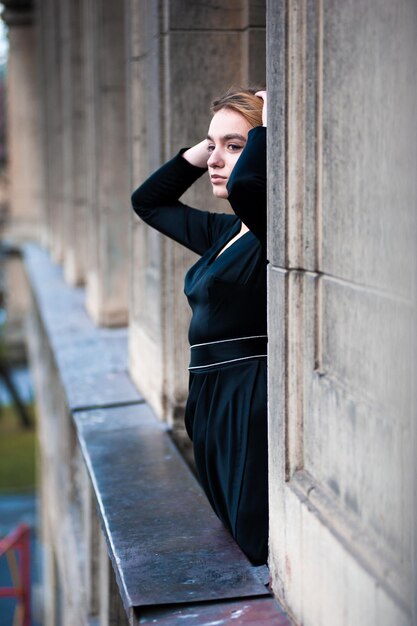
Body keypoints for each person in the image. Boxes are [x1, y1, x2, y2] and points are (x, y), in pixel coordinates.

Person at [131, 88, 268, 565]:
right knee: (230, 533)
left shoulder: (272, 224)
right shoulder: (227, 231)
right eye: (213, 146)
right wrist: (208, 145)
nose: (216, 160)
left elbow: (252, 185)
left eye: (234, 146)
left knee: (252, 541)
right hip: (210, 398)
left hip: (247, 398)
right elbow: (148, 201)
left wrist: (270, 126)